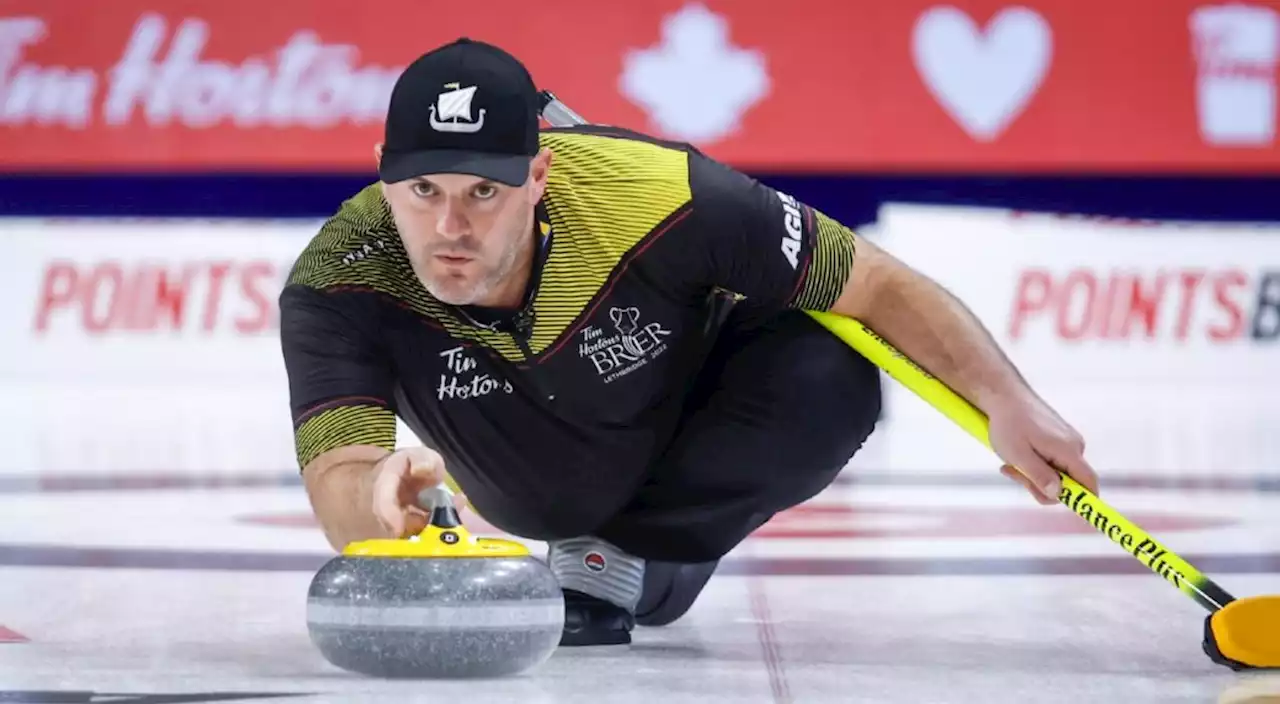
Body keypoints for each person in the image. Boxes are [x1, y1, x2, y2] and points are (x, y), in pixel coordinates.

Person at [279, 37, 1100, 647]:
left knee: (832, 366)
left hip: (689, 407)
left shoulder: (659, 194)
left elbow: (874, 282)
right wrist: (381, 502)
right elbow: (341, 477)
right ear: (383, 169)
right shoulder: (338, 280)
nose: (449, 227)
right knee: (554, 500)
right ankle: (613, 547)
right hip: (531, 479)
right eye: (422, 190)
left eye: (484, 192)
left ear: (539, 174)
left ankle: (635, 552)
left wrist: (1006, 397)